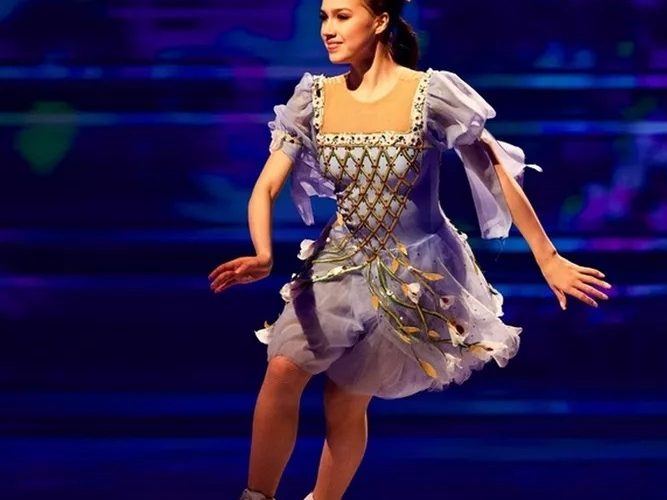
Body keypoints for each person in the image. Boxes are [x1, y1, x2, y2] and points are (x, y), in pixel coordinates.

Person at [208, 1, 613, 498]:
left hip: (414, 276)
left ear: (379, 20)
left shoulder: (431, 93)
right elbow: (267, 185)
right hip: (338, 265)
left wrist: (547, 258)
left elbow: (495, 174)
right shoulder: (314, 98)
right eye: (323, 17)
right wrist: (263, 254)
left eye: (342, 16)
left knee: (344, 397)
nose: (328, 30)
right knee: (283, 368)